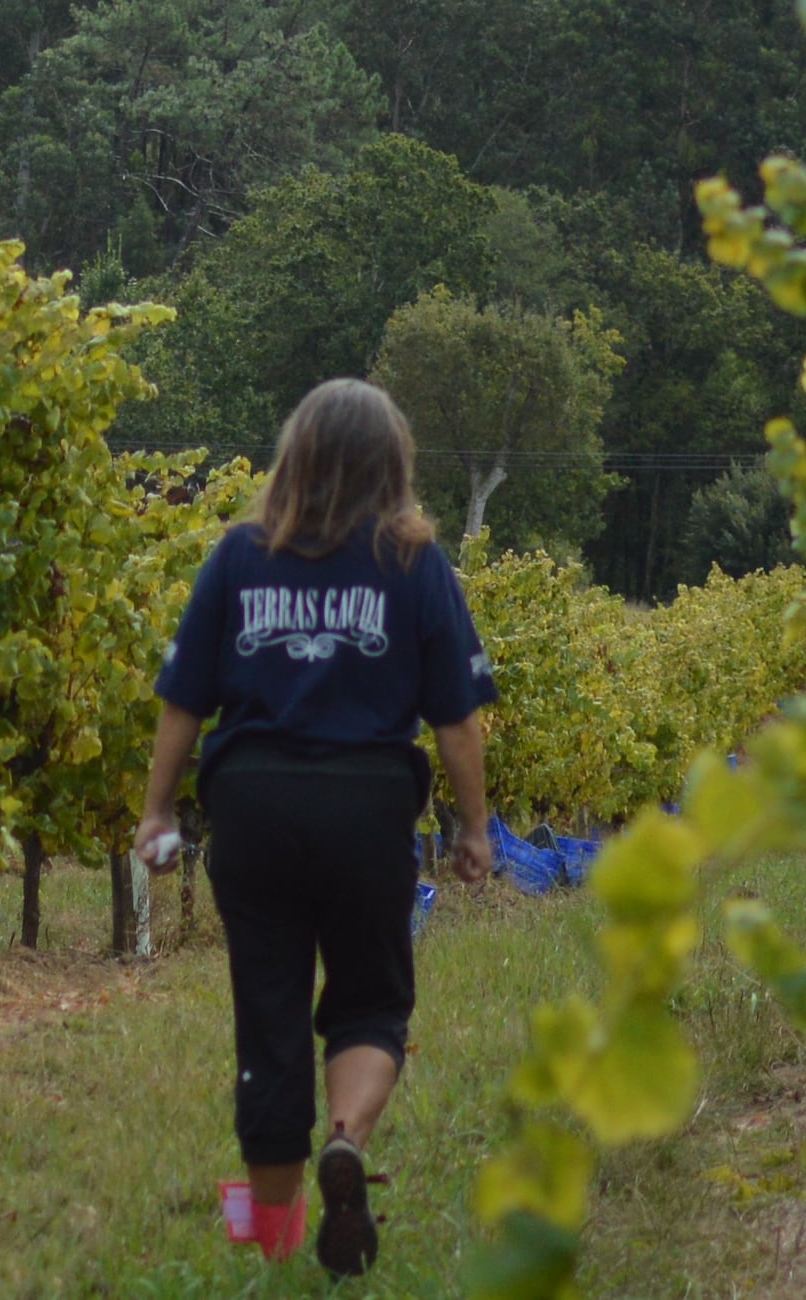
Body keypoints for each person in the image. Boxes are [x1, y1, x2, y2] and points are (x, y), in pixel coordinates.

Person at [138, 377, 496, 1277]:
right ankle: (345, 1138)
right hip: (366, 805)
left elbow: (184, 699)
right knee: (371, 999)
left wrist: (156, 809)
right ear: (394, 464)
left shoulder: (238, 556)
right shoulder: (417, 562)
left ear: (292, 452)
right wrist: (475, 829)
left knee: (269, 1011)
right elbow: (457, 719)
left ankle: (274, 1238)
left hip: (253, 804)